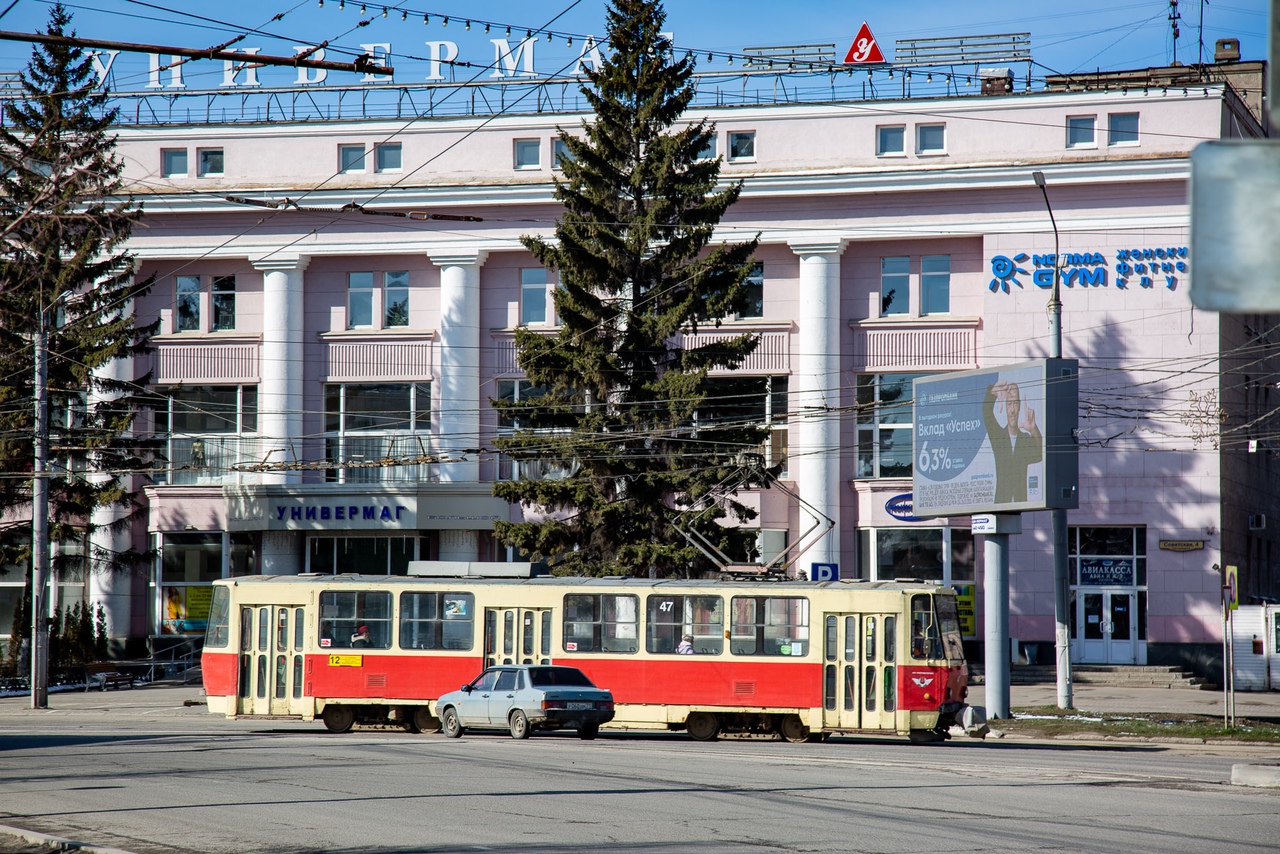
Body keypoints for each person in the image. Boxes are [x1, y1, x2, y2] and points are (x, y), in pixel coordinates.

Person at [982, 379, 1042, 504]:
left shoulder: (1025, 439)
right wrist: (993, 392)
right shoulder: (998, 436)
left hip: (1021, 506)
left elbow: (1039, 454)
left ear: (1019, 405)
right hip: (1001, 505)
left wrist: (1033, 430)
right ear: (1005, 407)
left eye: (1015, 403)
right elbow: (986, 413)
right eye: (1009, 404)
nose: (1012, 410)